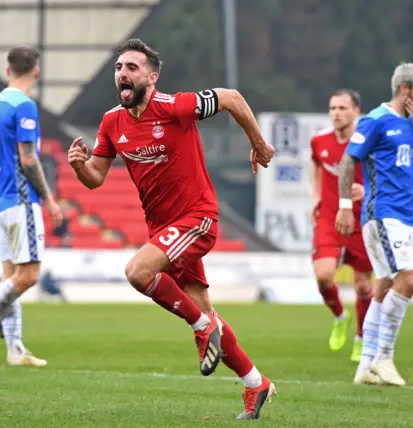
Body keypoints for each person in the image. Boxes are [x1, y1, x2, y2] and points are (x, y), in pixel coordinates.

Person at [67, 39, 275, 420]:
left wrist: (258, 144)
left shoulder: (174, 106)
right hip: (164, 229)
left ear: (151, 76)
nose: (123, 74)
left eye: (132, 67)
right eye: (118, 68)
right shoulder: (112, 121)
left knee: (137, 272)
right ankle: (255, 382)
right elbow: (96, 177)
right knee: (207, 312)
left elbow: (230, 97)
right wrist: (80, 165)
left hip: (197, 218)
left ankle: (200, 328)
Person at [335, 63, 413, 386]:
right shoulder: (376, 120)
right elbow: (348, 160)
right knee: (409, 280)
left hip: (403, 218)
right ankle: (384, 356)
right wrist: (344, 206)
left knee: (383, 286)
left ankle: (365, 367)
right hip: (382, 214)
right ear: (404, 89)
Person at [0, 46, 63, 368]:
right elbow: (28, 158)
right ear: (36, 71)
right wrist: (48, 198)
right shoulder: (24, 106)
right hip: (21, 201)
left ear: (8, 70)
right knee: (28, 276)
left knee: (11, 274)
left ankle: (15, 348)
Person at [310, 89, 373, 362]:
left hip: (361, 219)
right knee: (324, 276)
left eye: (343, 108)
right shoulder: (319, 140)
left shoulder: (367, 142)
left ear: (356, 112)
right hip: (329, 218)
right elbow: (315, 162)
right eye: (333, 108)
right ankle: (340, 316)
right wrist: (315, 196)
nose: (337, 113)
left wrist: (367, 190)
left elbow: (383, 175)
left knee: (362, 286)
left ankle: (361, 337)